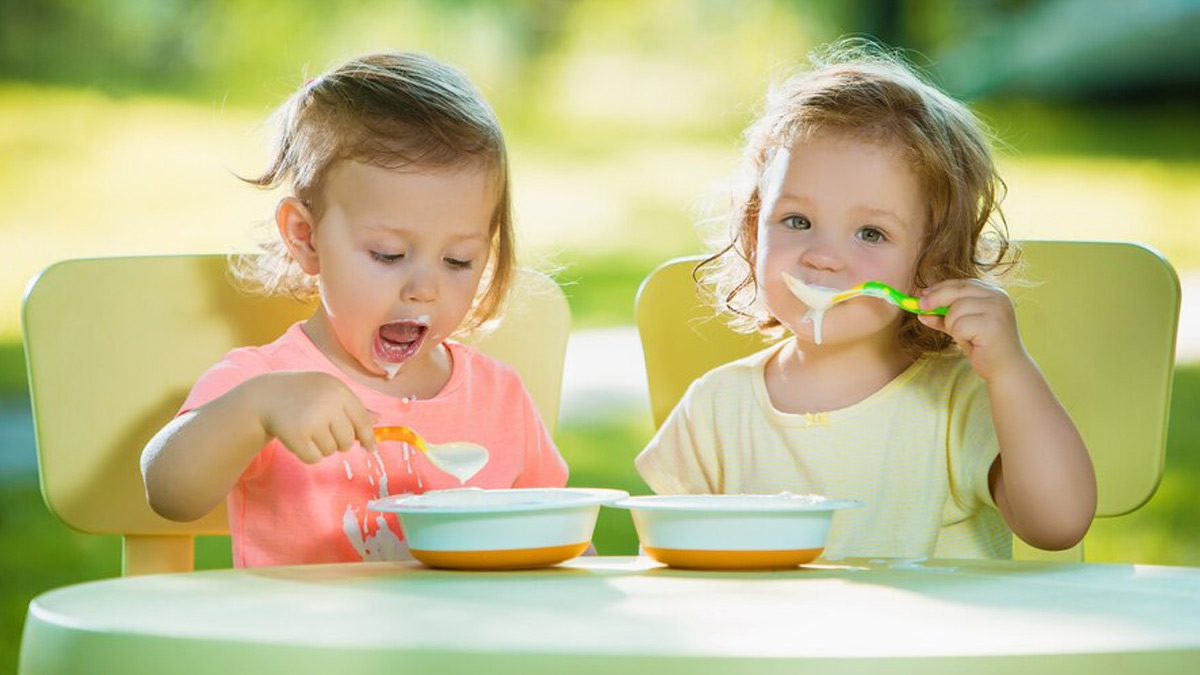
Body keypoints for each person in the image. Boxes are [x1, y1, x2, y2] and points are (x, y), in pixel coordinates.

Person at [635, 41, 1096, 559]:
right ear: (752, 232)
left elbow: (1058, 525)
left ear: (934, 261)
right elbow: (673, 569)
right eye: (797, 222)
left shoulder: (960, 401)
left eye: (871, 234)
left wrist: (1012, 372)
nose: (823, 257)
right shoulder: (717, 407)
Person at [140, 51, 568, 567]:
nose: (423, 288)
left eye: (459, 260)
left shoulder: (500, 397)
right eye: (388, 254)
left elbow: (556, 537)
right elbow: (169, 492)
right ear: (306, 237)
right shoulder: (270, 382)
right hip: (303, 643)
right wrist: (255, 410)